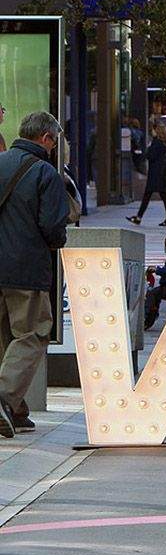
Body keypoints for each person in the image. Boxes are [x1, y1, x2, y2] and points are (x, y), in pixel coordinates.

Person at [0, 112, 70, 437]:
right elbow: (53, 228)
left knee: (3, 339)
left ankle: (16, 409)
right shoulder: (45, 172)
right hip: (26, 268)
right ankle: (3, 399)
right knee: (32, 334)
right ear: (46, 138)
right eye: (54, 141)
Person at [126, 122, 166, 226]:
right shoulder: (162, 143)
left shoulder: (156, 143)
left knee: (151, 195)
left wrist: (148, 148)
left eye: (153, 130)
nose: (151, 132)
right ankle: (140, 217)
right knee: (159, 195)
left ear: (157, 130)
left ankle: (139, 217)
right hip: (160, 172)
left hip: (156, 173)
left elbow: (150, 155)